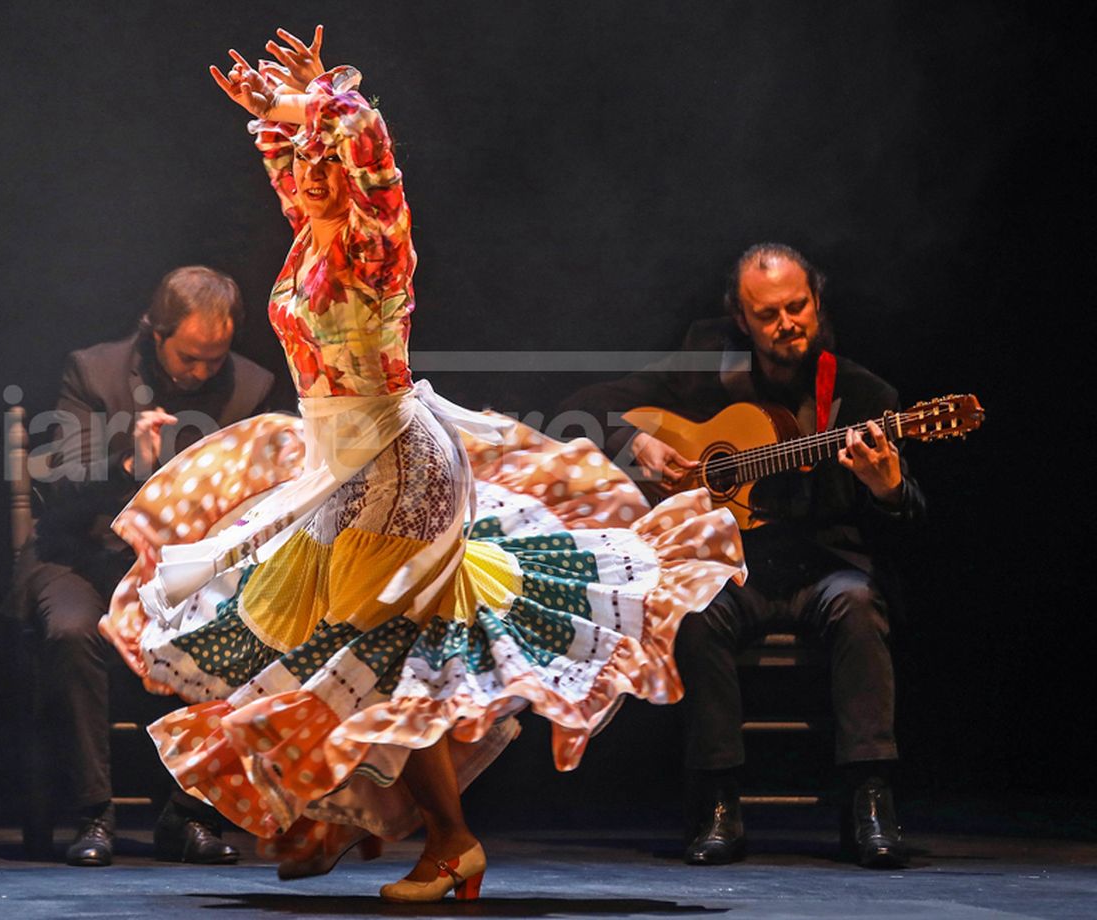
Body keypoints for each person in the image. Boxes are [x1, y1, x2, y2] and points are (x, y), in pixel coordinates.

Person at [100, 27, 745, 901]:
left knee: (393, 648)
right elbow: (308, 182)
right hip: (344, 462)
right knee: (321, 633)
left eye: (329, 159)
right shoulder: (313, 242)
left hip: (402, 467)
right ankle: (351, 810)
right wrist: (290, 118)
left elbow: (370, 172)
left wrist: (336, 103)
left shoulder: (374, 249)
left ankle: (446, 840)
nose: (314, 173)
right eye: (306, 160)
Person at [565, 243, 924, 868]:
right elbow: (593, 400)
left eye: (798, 306)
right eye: (769, 315)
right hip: (734, 569)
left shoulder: (864, 395)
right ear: (742, 319)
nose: (788, 324)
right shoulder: (704, 365)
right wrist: (638, 439)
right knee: (696, 612)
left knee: (861, 607)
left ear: (817, 301)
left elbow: (911, 517)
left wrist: (887, 488)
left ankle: (872, 804)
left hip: (824, 570)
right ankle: (716, 803)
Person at [4, 265, 275, 866]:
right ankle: (93, 816)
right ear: (157, 333)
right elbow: (64, 477)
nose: (203, 371)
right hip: (80, 556)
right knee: (75, 630)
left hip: (186, 571)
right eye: (190, 357)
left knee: (233, 627)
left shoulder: (250, 387)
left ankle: (189, 817)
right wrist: (128, 464)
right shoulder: (94, 371)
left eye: (215, 357)